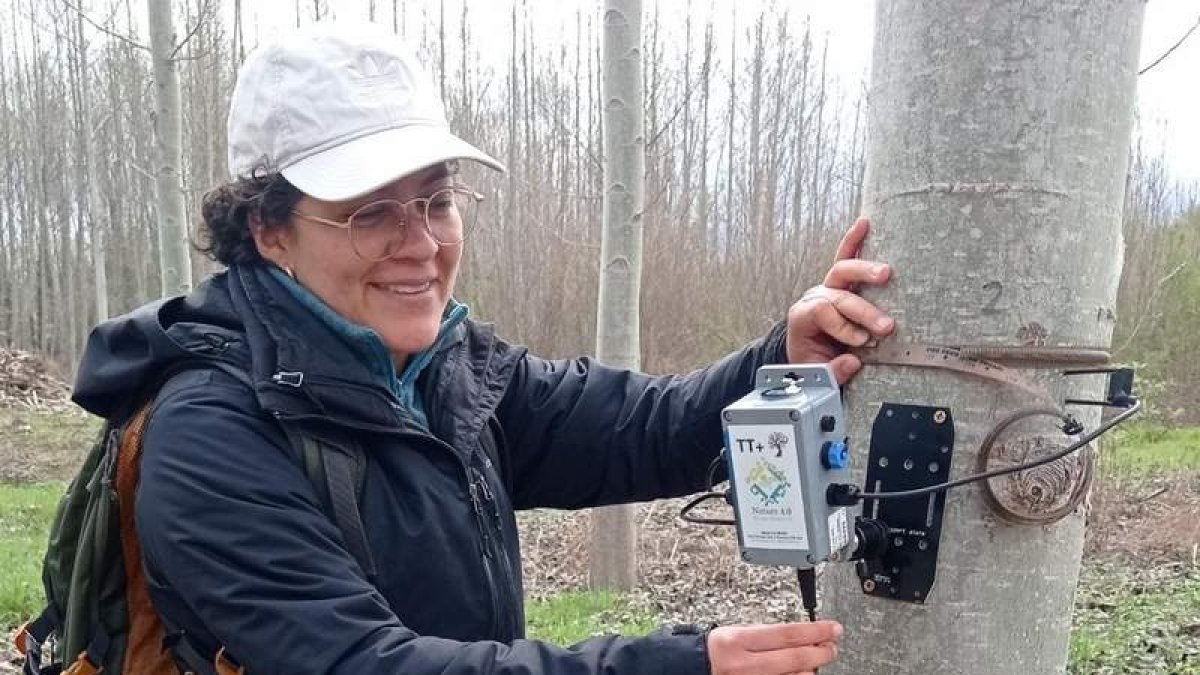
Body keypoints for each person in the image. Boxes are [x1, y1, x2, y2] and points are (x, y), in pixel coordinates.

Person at [72, 22, 895, 675]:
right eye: (371, 212)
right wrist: (674, 662)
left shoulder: (446, 369)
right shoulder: (210, 431)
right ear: (269, 229)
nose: (420, 243)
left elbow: (637, 427)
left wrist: (783, 358)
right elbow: (359, 662)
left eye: (435, 198)